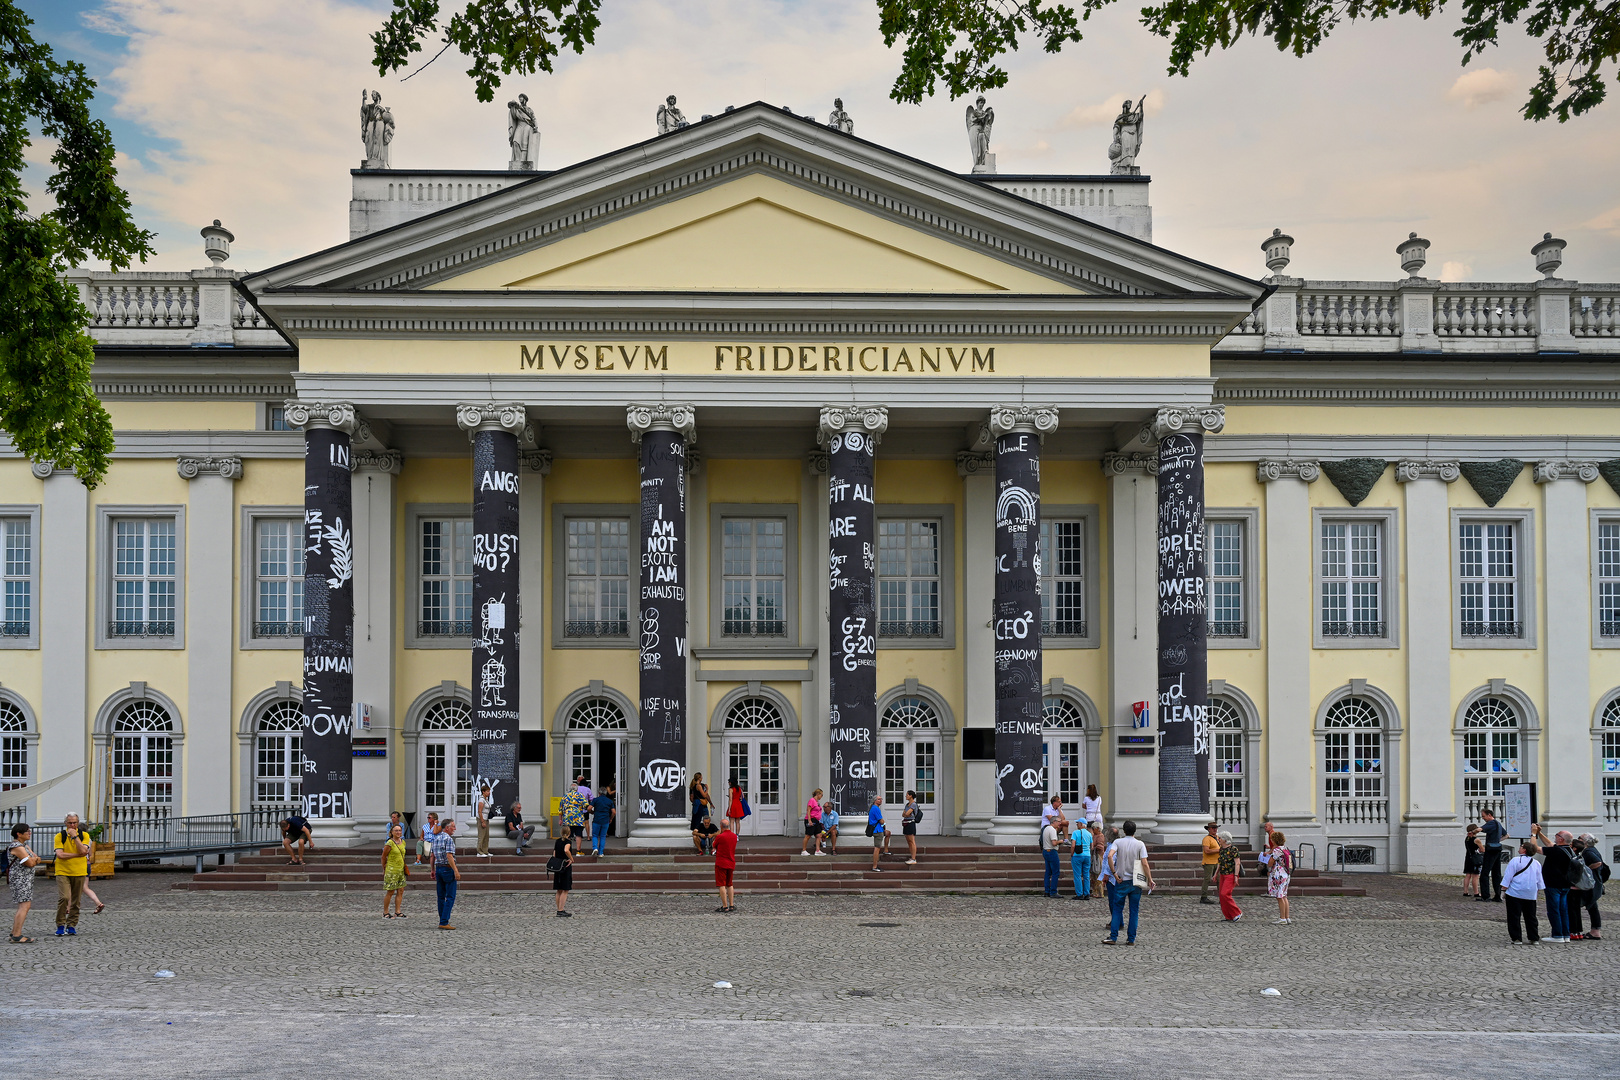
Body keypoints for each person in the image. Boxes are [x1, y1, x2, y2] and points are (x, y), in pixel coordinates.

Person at [1102, 820, 1152, 945]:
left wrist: (1114, 873)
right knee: (1134, 911)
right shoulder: (1140, 844)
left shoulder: (1118, 842)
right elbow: (1145, 863)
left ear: (1124, 831)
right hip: (1135, 881)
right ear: (1135, 831)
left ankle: (1113, 937)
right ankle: (1131, 939)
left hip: (1121, 879)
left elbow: (1109, 856)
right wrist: (1150, 879)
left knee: (1117, 909)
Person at [1531, 824, 1576, 942]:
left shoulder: (1556, 851)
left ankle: (1557, 935)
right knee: (1563, 910)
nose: (1555, 837)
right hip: (1565, 884)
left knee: (1554, 910)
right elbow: (1550, 844)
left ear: (1561, 839)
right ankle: (1565, 934)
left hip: (1553, 884)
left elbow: (1534, 848)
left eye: (1557, 835)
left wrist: (1534, 834)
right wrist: (1540, 833)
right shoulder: (1569, 850)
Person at [52, 814, 91, 937]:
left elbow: (84, 851)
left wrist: (75, 837)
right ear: (65, 823)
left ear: (78, 823)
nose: (72, 825)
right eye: (70, 823)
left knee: (76, 900)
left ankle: (72, 924)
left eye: (74, 823)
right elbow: (60, 855)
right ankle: (60, 924)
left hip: (79, 871)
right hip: (62, 871)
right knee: (64, 897)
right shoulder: (60, 836)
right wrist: (77, 855)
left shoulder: (84, 835)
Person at [1502, 840, 1545, 944]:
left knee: (1514, 916)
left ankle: (1516, 938)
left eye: (1521, 846)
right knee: (1531, 916)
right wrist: (1538, 889)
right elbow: (1539, 879)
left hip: (1515, 892)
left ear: (1524, 850)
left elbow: (1508, 876)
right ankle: (1533, 937)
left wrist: (1503, 888)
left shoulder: (1515, 860)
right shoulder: (1536, 863)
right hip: (1530, 893)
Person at [1569, 833, 1605, 941]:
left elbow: (1598, 862)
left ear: (1585, 842)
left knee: (1592, 906)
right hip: (1594, 883)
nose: (1577, 839)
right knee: (1592, 907)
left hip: (1591, 885)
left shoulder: (1588, 851)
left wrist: (1586, 869)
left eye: (1579, 838)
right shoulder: (1592, 850)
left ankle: (1595, 931)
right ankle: (1595, 930)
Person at [9, 822, 41, 943]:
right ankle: (17, 935)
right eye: (27, 831)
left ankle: (14, 932)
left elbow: (37, 858)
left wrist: (34, 859)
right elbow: (31, 862)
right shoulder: (17, 846)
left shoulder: (25, 846)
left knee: (24, 905)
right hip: (20, 879)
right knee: (24, 906)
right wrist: (34, 859)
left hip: (25, 879)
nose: (29, 833)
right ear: (19, 833)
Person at [430, 818, 460, 930]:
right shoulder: (449, 839)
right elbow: (449, 856)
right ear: (447, 828)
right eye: (453, 826)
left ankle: (442, 919)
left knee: (441, 896)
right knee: (450, 896)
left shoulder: (436, 838)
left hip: (438, 868)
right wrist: (456, 870)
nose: (455, 828)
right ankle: (444, 921)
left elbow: (432, 856)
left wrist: (432, 869)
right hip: (447, 869)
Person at [1478, 807, 1507, 902]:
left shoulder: (1491, 823)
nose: (1483, 818)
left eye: (1484, 816)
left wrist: (1473, 831)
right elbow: (1506, 835)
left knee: (1485, 873)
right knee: (1496, 873)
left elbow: (1480, 829)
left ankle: (1486, 896)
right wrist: (1497, 841)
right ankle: (1498, 895)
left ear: (1489, 815)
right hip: (1497, 849)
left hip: (1491, 850)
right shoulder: (1498, 824)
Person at [381, 823, 409, 918]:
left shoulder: (403, 842)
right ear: (392, 832)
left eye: (399, 830)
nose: (398, 832)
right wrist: (384, 868)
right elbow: (384, 856)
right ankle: (385, 912)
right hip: (392, 870)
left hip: (400, 870)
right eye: (396, 830)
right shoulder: (389, 843)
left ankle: (397, 911)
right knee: (390, 891)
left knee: (400, 890)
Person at [1266, 829, 1292, 925]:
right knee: (1284, 896)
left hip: (1278, 874)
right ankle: (1287, 917)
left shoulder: (1277, 850)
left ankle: (1282, 918)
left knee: (1279, 897)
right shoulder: (1285, 848)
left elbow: (1270, 862)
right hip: (1286, 873)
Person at [1216, 830, 1243, 921]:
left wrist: (1236, 876)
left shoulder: (1233, 849)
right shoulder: (1221, 849)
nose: (1218, 839)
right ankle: (1228, 916)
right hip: (1223, 874)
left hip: (1230, 874)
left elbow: (1237, 863)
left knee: (1225, 894)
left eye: (1220, 838)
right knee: (1221, 895)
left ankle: (1237, 912)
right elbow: (1220, 863)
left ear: (1225, 840)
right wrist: (1216, 874)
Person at [713, 818, 739, 913]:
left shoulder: (720, 836)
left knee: (721, 885)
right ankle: (732, 905)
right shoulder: (734, 836)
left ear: (721, 826)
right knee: (730, 884)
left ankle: (725, 906)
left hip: (721, 862)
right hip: (731, 861)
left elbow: (714, 845)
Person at [589, 784, 616, 857]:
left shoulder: (596, 800)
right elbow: (614, 812)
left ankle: (595, 848)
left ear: (599, 793)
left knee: (595, 835)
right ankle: (600, 852)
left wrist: (592, 812)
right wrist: (611, 818)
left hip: (597, 819)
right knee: (603, 836)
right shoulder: (609, 801)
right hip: (605, 820)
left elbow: (589, 808)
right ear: (606, 793)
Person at [561, 782, 590, 849]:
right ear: (577, 789)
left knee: (568, 835)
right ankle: (578, 851)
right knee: (578, 835)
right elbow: (586, 805)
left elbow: (560, 809)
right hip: (578, 819)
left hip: (568, 819)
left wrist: (560, 819)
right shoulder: (580, 795)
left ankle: (567, 850)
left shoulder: (565, 796)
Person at [551, 832, 574, 917]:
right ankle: (561, 910)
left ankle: (558, 909)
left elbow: (554, 853)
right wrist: (571, 858)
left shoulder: (557, 841)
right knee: (565, 889)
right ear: (569, 833)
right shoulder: (568, 841)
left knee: (559, 889)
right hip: (565, 865)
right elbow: (566, 850)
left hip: (558, 865)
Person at [1069, 818, 1093, 899]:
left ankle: (1079, 894)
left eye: (1078, 823)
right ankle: (1087, 893)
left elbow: (1073, 845)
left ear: (1081, 824)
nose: (1076, 825)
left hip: (1077, 855)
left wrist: (1072, 854)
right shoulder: (1089, 834)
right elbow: (1092, 846)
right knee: (1086, 875)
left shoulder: (1075, 833)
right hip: (1087, 855)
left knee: (1077, 875)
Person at [1199, 820, 1221, 905]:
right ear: (1209, 829)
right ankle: (1203, 897)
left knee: (1219, 880)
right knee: (1207, 880)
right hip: (1209, 862)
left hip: (1217, 862)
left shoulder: (1218, 838)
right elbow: (1207, 851)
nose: (1215, 830)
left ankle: (1221, 897)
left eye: (1216, 828)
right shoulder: (1207, 839)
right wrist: (1218, 850)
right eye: (1213, 828)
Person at [1040, 817, 1062, 897]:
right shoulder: (1052, 830)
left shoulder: (1046, 828)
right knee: (1056, 872)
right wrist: (1061, 841)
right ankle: (1053, 891)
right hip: (1052, 851)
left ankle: (1047, 891)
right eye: (1059, 821)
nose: (1060, 823)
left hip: (1045, 851)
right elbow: (1054, 843)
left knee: (1048, 872)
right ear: (1054, 821)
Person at [901, 791, 922, 865]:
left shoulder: (913, 804)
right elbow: (903, 814)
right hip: (906, 823)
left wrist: (907, 814)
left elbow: (907, 813)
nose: (906, 796)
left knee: (912, 841)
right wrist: (906, 814)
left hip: (911, 823)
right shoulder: (907, 804)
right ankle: (912, 857)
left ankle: (913, 858)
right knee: (908, 841)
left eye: (907, 795)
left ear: (911, 796)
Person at [866, 794, 886, 872]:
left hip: (877, 829)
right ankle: (875, 866)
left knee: (888, 834)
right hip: (877, 830)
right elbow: (881, 820)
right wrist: (884, 824)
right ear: (875, 801)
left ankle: (886, 850)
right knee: (877, 848)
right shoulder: (876, 809)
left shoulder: (873, 808)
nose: (880, 800)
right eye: (878, 799)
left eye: (881, 799)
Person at [800, 788, 824, 856]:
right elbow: (808, 810)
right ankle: (804, 850)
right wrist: (809, 820)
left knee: (819, 835)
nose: (821, 797)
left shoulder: (817, 802)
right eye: (821, 795)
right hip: (811, 819)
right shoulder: (812, 800)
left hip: (816, 820)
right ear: (818, 794)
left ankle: (818, 850)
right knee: (808, 835)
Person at [1462, 824, 1483, 898]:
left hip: (1468, 857)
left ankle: (1465, 891)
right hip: (1475, 858)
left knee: (1468, 875)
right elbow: (1482, 849)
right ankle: (1476, 892)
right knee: (1475, 876)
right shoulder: (1476, 840)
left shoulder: (1467, 838)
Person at [474, 783, 493, 858]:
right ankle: (479, 851)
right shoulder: (481, 800)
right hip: (482, 819)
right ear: (483, 792)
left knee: (486, 836)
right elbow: (479, 811)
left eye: (489, 791)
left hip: (486, 818)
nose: (489, 792)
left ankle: (485, 850)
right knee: (481, 836)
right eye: (487, 791)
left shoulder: (486, 799)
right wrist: (482, 821)